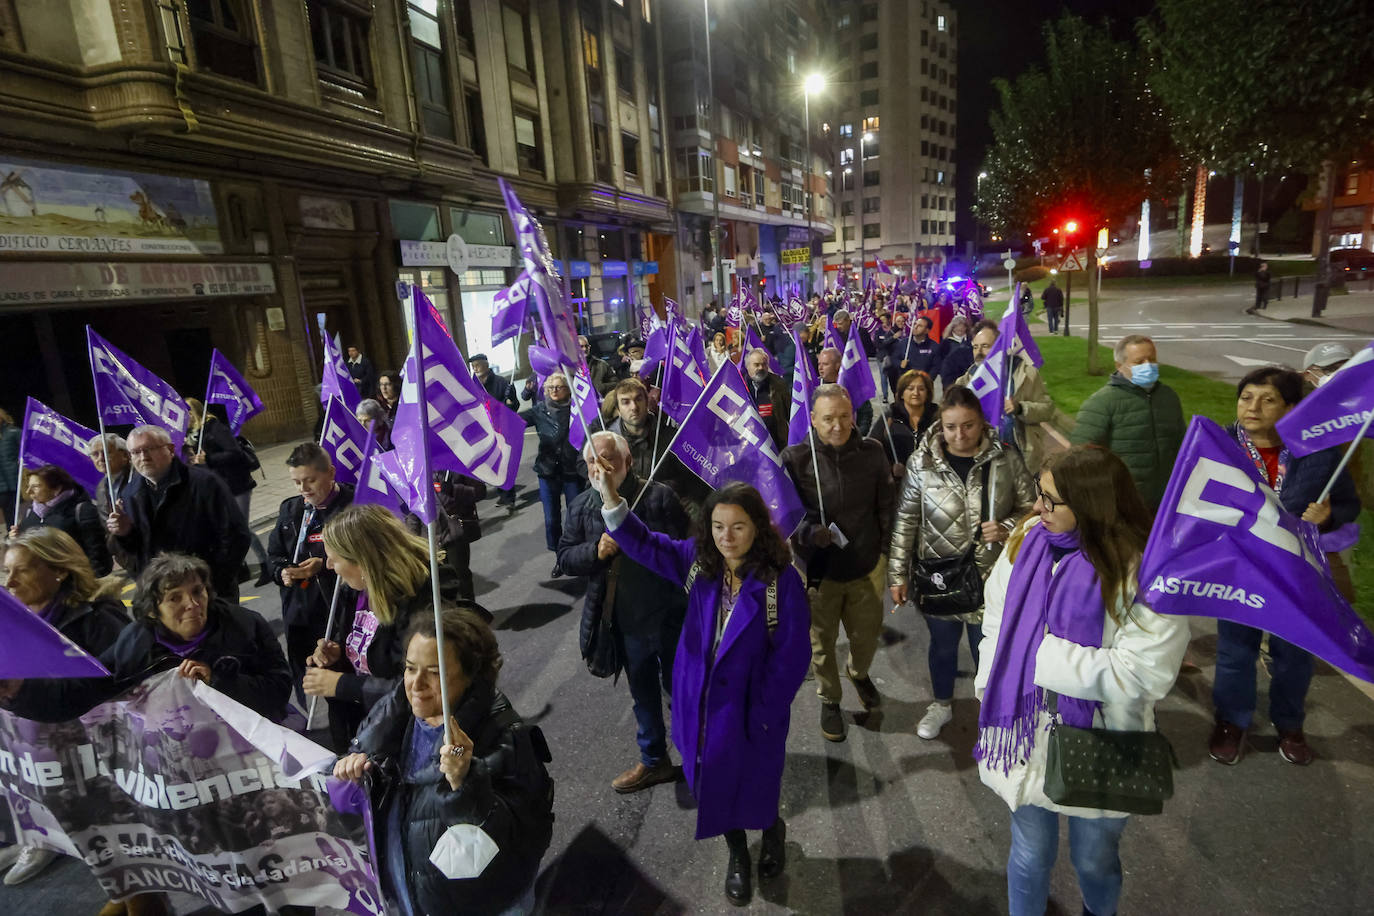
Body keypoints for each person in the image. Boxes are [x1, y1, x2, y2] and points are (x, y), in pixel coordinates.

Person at [973, 446, 1190, 916]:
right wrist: (992, 680)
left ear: (1092, 505)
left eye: (1051, 500)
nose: (1036, 508)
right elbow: (996, 618)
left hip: (1102, 740)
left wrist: (1037, 655)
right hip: (1025, 735)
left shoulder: (1144, 572)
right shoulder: (1027, 539)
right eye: (1039, 494)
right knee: (1030, 855)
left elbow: (1144, 673)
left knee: (1094, 861)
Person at [591, 469, 810, 906]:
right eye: (718, 526)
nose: (727, 537)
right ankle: (736, 855)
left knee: (757, 783)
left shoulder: (779, 582)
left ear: (757, 528)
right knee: (712, 784)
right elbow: (648, 544)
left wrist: (763, 712)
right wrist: (611, 496)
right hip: (699, 703)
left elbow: (792, 657)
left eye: (738, 526)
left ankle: (771, 830)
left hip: (752, 709)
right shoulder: (698, 562)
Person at [335, 607, 550, 916]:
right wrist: (356, 770)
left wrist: (466, 784)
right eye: (410, 668)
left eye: (435, 673)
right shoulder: (390, 714)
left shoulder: (505, 736)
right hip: (407, 890)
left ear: (471, 675)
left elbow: (520, 842)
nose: (416, 684)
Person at [1209, 366, 1361, 767]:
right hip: (1239, 567)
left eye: (1268, 399)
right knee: (1235, 651)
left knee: (1294, 654)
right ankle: (1231, 722)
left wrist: (1327, 516)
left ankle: (1290, 724)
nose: (1253, 407)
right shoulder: (1217, 446)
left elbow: (1349, 505)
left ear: (1291, 407)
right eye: (1246, 397)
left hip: (1296, 573)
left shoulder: (1317, 451)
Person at [888, 386, 1036, 740]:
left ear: (981, 423)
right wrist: (897, 573)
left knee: (987, 648)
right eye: (952, 427)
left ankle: (992, 711)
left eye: (968, 425)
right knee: (942, 647)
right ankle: (940, 704)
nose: (960, 435)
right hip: (940, 576)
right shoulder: (921, 464)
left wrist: (1007, 528)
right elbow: (906, 520)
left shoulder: (1006, 459)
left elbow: (1032, 511)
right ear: (941, 425)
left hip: (990, 576)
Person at [1, 552, 291, 723]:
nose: (192, 604)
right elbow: (81, 694)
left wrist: (218, 681)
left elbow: (278, 690)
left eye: (198, 591)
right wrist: (18, 689)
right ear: (153, 610)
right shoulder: (134, 642)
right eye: (175, 598)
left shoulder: (244, 627)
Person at [557, 431, 689, 793]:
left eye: (607, 460)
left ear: (627, 462)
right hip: (625, 621)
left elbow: (685, 549)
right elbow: (565, 557)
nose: (599, 468)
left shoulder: (658, 496)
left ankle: (699, 757)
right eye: (591, 462)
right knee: (642, 695)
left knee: (682, 692)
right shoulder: (583, 505)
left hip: (671, 616)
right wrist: (594, 552)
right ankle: (654, 761)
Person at [1, 527, 128, 886]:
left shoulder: (99, 618)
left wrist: (20, 689)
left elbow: (98, 693)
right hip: (35, 751)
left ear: (59, 570)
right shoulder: (14, 620)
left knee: (117, 854)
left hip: (96, 759)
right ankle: (37, 833)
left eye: (21, 570)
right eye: (6, 570)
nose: (9, 582)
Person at [781, 384, 894, 742]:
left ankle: (858, 673)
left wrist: (888, 553)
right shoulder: (795, 458)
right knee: (821, 642)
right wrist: (809, 533)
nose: (838, 425)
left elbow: (886, 506)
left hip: (865, 566)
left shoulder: (873, 452)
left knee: (865, 637)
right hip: (819, 572)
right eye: (828, 418)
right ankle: (830, 698)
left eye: (844, 416)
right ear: (813, 420)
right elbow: (785, 513)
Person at [304, 505, 475, 738]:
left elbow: (422, 684)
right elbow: (360, 648)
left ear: (362, 561)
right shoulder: (354, 591)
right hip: (371, 723)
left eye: (334, 559)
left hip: (410, 730)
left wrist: (342, 685)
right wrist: (337, 654)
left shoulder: (424, 597)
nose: (328, 566)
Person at [106, 425, 251, 602]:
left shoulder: (204, 483)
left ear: (170, 449)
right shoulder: (130, 494)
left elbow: (236, 536)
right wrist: (124, 533)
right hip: (163, 596)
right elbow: (136, 552)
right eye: (135, 452)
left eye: (149, 449)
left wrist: (211, 584)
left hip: (208, 593)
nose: (143, 457)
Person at [266, 443, 355, 717]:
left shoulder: (352, 507)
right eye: (296, 482)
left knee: (342, 688)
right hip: (299, 612)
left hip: (336, 611)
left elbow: (365, 560)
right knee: (309, 677)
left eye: (310, 480)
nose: (303, 488)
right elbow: (275, 555)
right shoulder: (291, 511)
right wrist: (282, 572)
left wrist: (325, 567)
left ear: (330, 473)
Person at [1071, 334, 1186, 510]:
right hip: (1123, 504)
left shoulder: (1168, 397)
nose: (1148, 366)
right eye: (1139, 362)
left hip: (1167, 501)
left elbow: (1181, 444)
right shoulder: (1101, 403)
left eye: (1152, 359)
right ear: (1119, 366)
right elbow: (1080, 457)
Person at [957, 319, 1058, 475]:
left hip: (1022, 459)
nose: (979, 352)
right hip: (983, 462)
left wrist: (1020, 408)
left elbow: (1047, 409)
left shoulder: (1026, 374)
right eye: (975, 347)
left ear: (999, 347)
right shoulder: (965, 382)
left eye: (985, 346)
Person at [185, 398, 269, 582]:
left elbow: (234, 453)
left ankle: (266, 565)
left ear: (197, 411)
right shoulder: (192, 434)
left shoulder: (214, 427)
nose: (187, 416)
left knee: (242, 527)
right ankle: (242, 568)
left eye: (189, 412)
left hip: (237, 484)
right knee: (228, 528)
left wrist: (209, 460)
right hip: (218, 487)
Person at [532, 372, 588, 573]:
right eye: (550, 387)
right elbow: (514, 419)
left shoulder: (577, 410)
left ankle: (578, 555)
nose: (554, 391)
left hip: (572, 471)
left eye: (559, 387)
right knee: (551, 520)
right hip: (548, 472)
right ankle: (560, 557)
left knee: (575, 516)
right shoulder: (539, 410)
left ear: (567, 389)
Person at [11, 464, 111, 576]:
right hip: (45, 583)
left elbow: (96, 552)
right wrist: (14, 538)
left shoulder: (81, 509)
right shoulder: (31, 512)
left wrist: (93, 581)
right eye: (29, 486)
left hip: (77, 581)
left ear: (56, 489)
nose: (29, 492)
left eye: (36, 487)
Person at [469, 355, 521, 512]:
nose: (475, 369)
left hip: (501, 430)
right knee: (494, 464)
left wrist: (508, 404)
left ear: (486, 365)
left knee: (505, 462)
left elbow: (515, 405)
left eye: (478, 365)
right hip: (485, 431)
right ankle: (502, 494)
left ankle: (510, 497)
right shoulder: (473, 385)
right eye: (473, 366)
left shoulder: (501, 383)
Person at [868, 369, 939, 477]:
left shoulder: (937, 417)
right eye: (910, 388)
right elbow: (871, 449)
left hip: (931, 481)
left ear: (928, 393)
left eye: (921, 389)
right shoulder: (890, 416)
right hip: (896, 483)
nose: (916, 393)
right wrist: (889, 469)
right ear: (901, 394)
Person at [816, 346, 874, 434]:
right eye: (819, 364)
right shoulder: (816, 387)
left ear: (837, 365)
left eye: (825, 364)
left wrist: (859, 435)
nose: (820, 368)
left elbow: (865, 414)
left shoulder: (853, 386)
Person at [744, 348, 791, 449]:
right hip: (749, 444)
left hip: (776, 444)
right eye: (756, 364)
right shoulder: (740, 385)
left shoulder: (778, 384)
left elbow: (790, 413)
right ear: (748, 367)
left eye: (764, 364)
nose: (761, 368)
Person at [937, 316, 974, 391]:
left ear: (966, 327)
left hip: (968, 376)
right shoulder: (946, 343)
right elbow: (940, 359)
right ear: (952, 327)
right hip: (951, 377)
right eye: (957, 326)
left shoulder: (972, 341)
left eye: (963, 326)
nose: (960, 328)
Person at [0, 407, 18, 528]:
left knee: (17, 511)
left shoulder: (13, 432)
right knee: (8, 513)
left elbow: (25, 449)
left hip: (15, 480)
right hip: (2, 485)